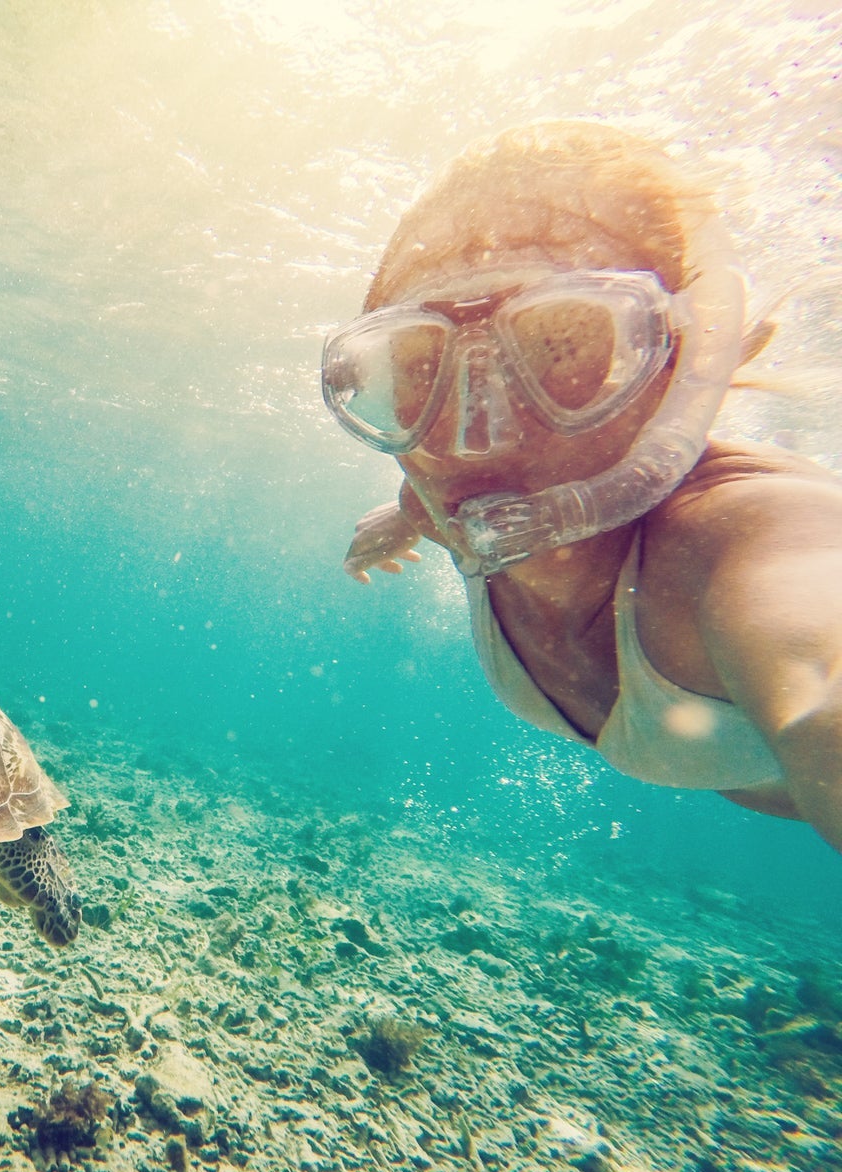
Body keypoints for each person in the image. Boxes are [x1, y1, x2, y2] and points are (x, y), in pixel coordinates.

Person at [320, 121, 842, 853]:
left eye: (563, 346)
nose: (478, 435)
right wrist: (402, 518)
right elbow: (430, 496)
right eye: (415, 367)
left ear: (682, 371)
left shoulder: (746, 535)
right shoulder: (450, 505)